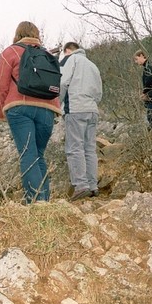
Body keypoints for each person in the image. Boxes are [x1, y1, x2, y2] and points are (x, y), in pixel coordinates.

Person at [0, 21, 62, 204]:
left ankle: (35, 201)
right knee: (39, 154)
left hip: (20, 108)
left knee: (27, 154)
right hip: (47, 110)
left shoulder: (10, 52)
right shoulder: (47, 54)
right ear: (37, 34)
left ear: (18, 34)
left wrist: (1, 113)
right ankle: (44, 200)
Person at [59, 42, 103, 201]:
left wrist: (57, 103)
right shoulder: (93, 65)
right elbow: (99, 92)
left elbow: (63, 82)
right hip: (92, 110)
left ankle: (80, 186)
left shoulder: (71, 60)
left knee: (74, 147)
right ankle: (93, 186)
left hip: (76, 109)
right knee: (89, 148)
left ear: (68, 51)